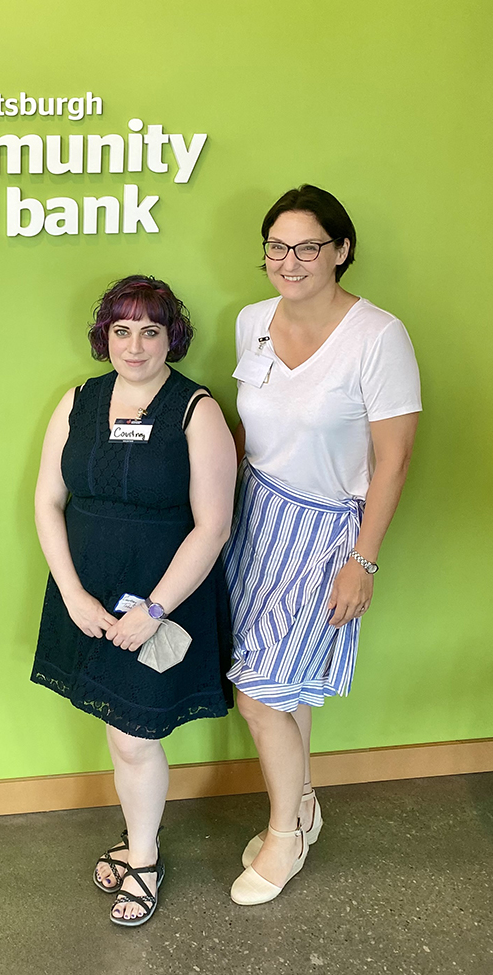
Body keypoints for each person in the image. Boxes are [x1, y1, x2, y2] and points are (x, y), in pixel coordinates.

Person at [223, 185, 421, 905]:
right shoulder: (251, 321)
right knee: (287, 683)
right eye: (278, 246)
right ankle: (302, 803)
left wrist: (361, 560)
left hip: (327, 531)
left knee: (259, 691)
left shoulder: (377, 336)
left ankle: (284, 836)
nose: (291, 260)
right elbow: (248, 431)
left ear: (341, 250)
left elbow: (393, 458)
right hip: (254, 518)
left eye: (309, 246)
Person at [31, 275, 237, 926]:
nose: (135, 344)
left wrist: (153, 610)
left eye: (150, 330)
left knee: (136, 736)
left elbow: (214, 525)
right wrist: (70, 593)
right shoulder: (78, 401)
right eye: (122, 329)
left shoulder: (195, 410)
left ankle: (143, 856)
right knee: (121, 731)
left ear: (170, 337)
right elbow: (47, 501)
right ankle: (136, 836)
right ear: (105, 336)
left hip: (163, 607)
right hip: (86, 600)